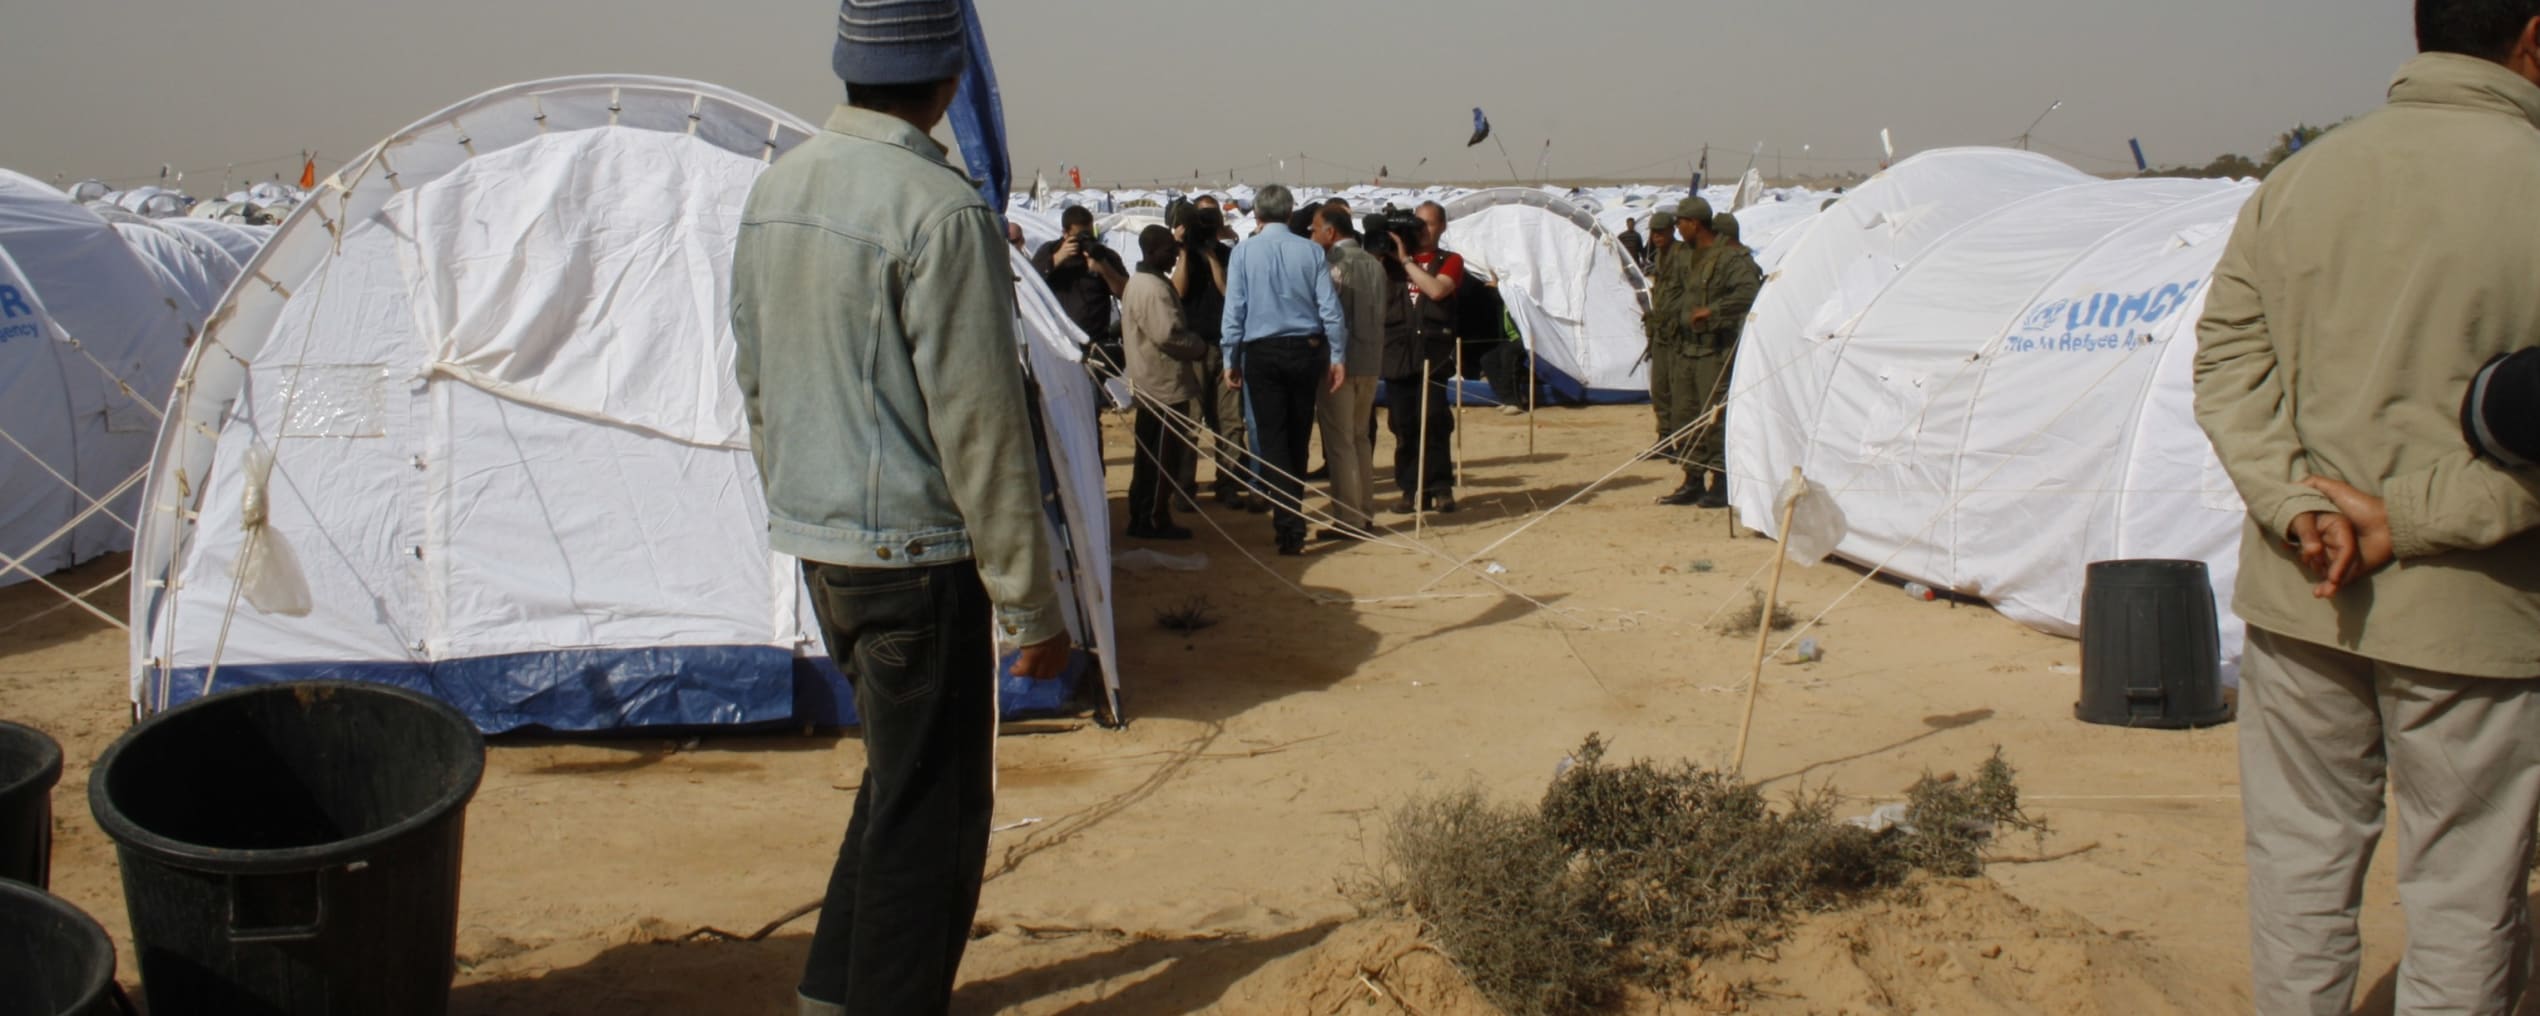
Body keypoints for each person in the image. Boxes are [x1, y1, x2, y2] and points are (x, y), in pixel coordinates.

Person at [2191, 5, 2540, 1012]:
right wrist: (2408, 516)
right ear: (2529, 36)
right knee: (2464, 892)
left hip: (2303, 596)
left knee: (2298, 871)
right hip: (2471, 622)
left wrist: (2296, 504)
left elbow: (2224, 365)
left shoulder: (2298, 181)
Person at [728, 4, 1070, 1012]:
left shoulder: (776, 191)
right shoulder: (936, 207)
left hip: (826, 550)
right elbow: (980, 426)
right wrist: (1031, 606)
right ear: (948, 82)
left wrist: (801, 511)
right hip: (917, 559)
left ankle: (829, 994)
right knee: (937, 817)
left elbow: (757, 382)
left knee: (896, 784)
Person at [1221, 184, 1347, 555]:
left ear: (1256, 216)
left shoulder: (1243, 253)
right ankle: (1290, 518)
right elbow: (1330, 309)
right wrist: (1338, 355)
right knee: (1297, 436)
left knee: (1273, 440)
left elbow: (1234, 311)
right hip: (1304, 352)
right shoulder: (1309, 251)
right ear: (1290, 215)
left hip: (1262, 353)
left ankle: (1288, 521)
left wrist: (1231, 357)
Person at [1122, 225, 1203, 540]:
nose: (1175, 254)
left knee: (1151, 456)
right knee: (1160, 458)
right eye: (1170, 249)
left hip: (1152, 382)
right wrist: (1199, 346)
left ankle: (1146, 513)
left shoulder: (1142, 282)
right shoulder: (1152, 289)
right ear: (1154, 250)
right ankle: (1152, 518)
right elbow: (1168, 336)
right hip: (1161, 387)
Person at [1311, 205, 1387, 539]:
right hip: (1370, 361)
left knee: (1340, 442)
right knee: (1360, 438)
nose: (1313, 237)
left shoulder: (1334, 265)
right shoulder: (1375, 264)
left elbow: (1329, 313)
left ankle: (1348, 519)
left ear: (1330, 231)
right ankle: (1364, 512)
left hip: (1340, 363)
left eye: (1315, 230)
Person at [1171, 204, 1252, 511]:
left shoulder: (1229, 255)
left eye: (1210, 222)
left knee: (1229, 421)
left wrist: (1211, 256)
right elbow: (1178, 292)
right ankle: (1184, 487)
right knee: (1190, 420)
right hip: (1193, 348)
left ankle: (1228, 482)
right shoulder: (1181, 255)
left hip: (1225, 346)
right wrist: (1184, 251)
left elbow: (1229, 293)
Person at [1680, 211, 1761, 509]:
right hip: (1690, 348)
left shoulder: (1733, 262)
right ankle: (1693, 477)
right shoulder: (1691, 258)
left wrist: (1711, 311)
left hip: (1717, 349)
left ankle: (1722, 480)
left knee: (1715, 416)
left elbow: (1748, 294)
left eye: (1681, 221)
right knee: (1688, 415)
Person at [1387, 202, 1464, 513]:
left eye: (1429, 224)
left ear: (1442, 227)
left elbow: (1436, 290)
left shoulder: (1451, 260)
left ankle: (1440, 486)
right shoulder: (1388, 263)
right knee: (1402, 424)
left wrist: (1405, 261)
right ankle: (1410, 488)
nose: (1422, 230)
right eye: (1417, 223)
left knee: (1433, 420)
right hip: (1397, 353)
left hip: (1434, 353)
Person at [1643, 199, 1704, 498]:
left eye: (1662, 231)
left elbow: (1687, 292)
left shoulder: (1681, 256)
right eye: (1654, 232)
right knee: (1660, 388)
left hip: (1677, 334)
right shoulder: (1659, 257)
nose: (1658, 236)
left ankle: (1679, 441)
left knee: (1678, 392)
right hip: (1661, 333)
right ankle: (1665, 436)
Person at [1032, 205, 1129, 352]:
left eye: (1088, 235)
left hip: (1095, 341)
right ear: (1065, 233)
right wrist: (1057, 259)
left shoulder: (1104, 255)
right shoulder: (1050, 250)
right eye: (1079, 236)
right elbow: (1030, 283)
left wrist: (1104, 269)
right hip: (1060, 342)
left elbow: (1126, 293)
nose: (1085, 241)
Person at [1642, 209, 1676, 273]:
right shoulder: (1658, 255)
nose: (1656, 236)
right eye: (1653, 231)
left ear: (1672, 230)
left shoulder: (1684, 253)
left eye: (1660, 231)